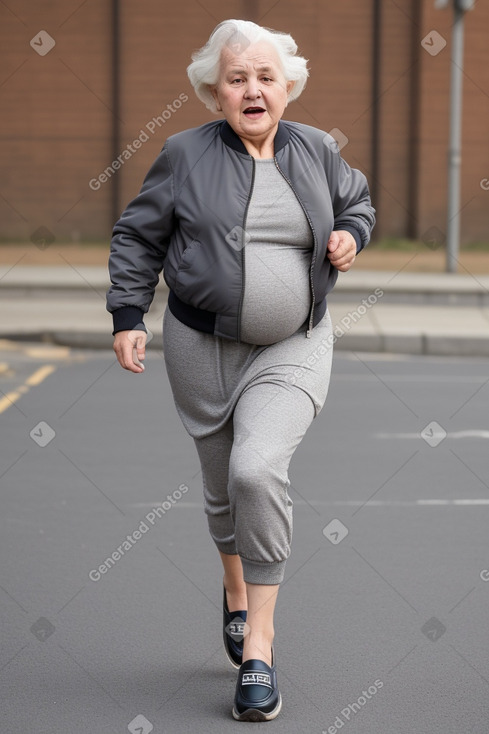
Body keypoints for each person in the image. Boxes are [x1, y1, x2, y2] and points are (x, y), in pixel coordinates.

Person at [107, 18, 375, 722]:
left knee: (256, 470)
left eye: (264, 76)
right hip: (201, 347)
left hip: (294, 343)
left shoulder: (316, 149)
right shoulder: (182, 155)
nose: (251, 89)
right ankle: (232, 592)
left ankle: (258, 645)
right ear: (213, 92)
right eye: (236, 78)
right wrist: (127, 316)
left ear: (286, 87)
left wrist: (350, 234)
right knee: (222, 486)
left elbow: (358, 201)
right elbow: (139, 235)